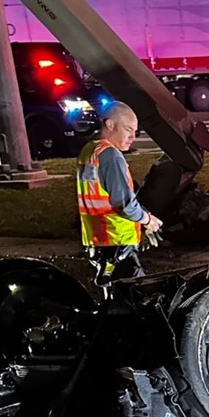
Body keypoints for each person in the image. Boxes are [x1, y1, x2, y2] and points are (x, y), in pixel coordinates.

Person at [76, 100, 162, 291]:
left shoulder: (89, 151)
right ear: (110, 124)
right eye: (128, 130)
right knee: (136, 297)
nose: (133, 137)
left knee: (114, 296)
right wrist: (148, 221)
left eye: (135, 132)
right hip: (117, 241)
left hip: (96, 241)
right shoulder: (110, 155)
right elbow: (124, 204)